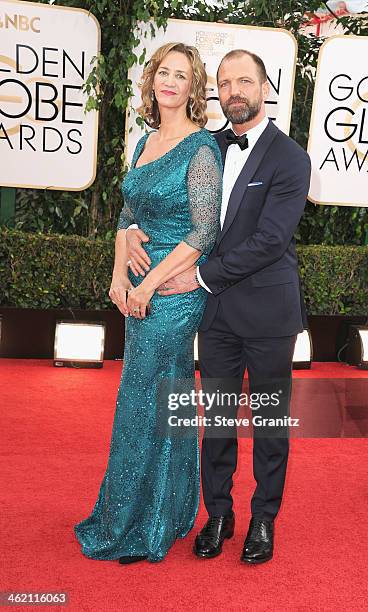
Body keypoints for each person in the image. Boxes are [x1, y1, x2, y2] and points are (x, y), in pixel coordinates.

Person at [126, 49, 311, 565]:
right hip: (217, 316)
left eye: (244, 81)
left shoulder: (289, 157)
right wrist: (133, 230)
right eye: (225, 82)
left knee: (272, 423)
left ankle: (264, 519)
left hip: (268, 314)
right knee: (217, 422)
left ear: (264, 87)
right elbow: (174, 208)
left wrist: (200, 276)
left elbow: (271, 240)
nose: (234, 91)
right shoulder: (207, 145)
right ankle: (219, 515)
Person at [73, 42, 222, 563]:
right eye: (164, 72)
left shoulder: (202, 148)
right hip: (137, 290)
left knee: (144, 401)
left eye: (182, 75)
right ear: (152, 80)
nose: (170, 82)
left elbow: (205, 231)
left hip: (175, 295)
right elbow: (125, 215)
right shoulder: (145, 142)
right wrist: (118, 273)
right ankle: (173, 508)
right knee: (168, 398)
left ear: (193, 88)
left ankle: (141, 523)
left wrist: (148, 284)